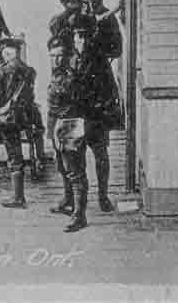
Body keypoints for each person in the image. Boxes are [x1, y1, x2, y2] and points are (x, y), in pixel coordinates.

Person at [68, 17, 122, 224]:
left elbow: (111, 90)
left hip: (96, 118)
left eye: (83, 35)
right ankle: (78, 210)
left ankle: (102, 196)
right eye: (77, 35)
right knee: (76, 161)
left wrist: (101, 109)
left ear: (90, 37)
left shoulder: (99, 60)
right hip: (77, 117)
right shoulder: (71, 59)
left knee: (101, 157)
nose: (80, 40)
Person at [0, 37, 36, 209]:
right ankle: (19, 196)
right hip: (24, 117)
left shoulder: (2, 71)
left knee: (13, 154)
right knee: (17, 153)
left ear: (6, 52)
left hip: (7, 117)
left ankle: (18, 197)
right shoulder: (28, 70)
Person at [45, 36, 80, 223]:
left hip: (69, 124)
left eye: (60, 56)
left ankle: (78, 214)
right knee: (62, 167)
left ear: (67, 56)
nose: (56, 60)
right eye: (53, 56)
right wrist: (50, 133)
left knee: (74, 170)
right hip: (57, 124)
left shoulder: (72, 77)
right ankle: (68, 200)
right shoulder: (55, 75)